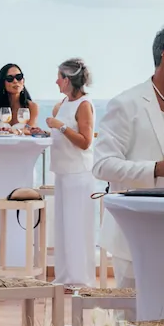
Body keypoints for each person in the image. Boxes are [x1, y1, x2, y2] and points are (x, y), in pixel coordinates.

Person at [92, 19, 164, 280]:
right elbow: (101, 165)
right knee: (132, 317)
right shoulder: (126, 104)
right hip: (135, 231)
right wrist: (156, 168)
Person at [45, 58, 98, 286]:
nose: (56, 81)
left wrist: (61, 127)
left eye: (59, 76)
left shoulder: (84, 105)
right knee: (64, 228)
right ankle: (65, 276)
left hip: (78, 175)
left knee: (77, 228)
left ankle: (79, 279)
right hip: (63, 172)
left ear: (67, 80)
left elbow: (85, 142)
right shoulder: (64, 102)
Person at [0, 63, 39, 131]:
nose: (15, 81)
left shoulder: (32, 107)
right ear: (3, 83)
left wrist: (10, 131)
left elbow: (30, 131)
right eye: (10, 78)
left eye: (19, 77)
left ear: (23, 81)